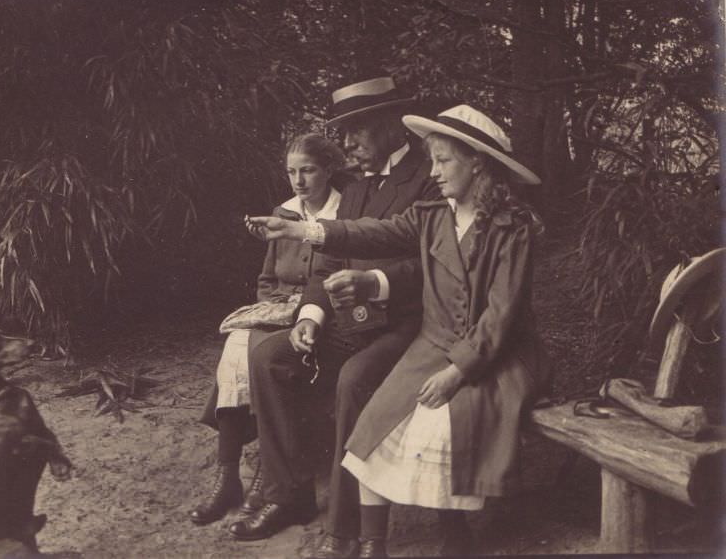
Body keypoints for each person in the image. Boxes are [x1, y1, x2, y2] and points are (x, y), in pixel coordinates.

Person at [246, 105, 552, 558]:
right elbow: (375, 232)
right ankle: (373, 543)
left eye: (445, 161)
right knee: (374, 426)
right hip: (434, 342)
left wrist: (456, 371)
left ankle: (454, 533)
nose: (436, 171)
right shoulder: (431, 214)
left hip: (494, 352)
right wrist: (301, 230)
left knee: (443, 418)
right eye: (433, 160)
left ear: (477, 163)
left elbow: (502, 315)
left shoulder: (513, 227)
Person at [227, 75, 439, 548]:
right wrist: (309, 318)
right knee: (268, 358)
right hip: (349, 321)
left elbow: (428, 263)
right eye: (342, 133)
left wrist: (372, 283)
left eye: (356, 130)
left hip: (406, 324)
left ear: (389, 125)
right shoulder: (360, 187)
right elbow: (331, 266)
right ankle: (289, 494)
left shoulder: (429, 177)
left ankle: (343, 528)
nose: (347, 144)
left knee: (352, 380)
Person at [192, 133, 346, 526]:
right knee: (237, 346)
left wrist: (300, 312)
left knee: (259, 358)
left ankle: (265, 476)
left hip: (320, 318)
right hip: (278, 313)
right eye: (292, 172)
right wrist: (271, 308)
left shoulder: (344, 214)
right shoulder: (285, 212)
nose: (299, 180)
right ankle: (228, 477)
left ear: (328, 169)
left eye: (308, 170)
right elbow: (266, 279)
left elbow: (335, 280)